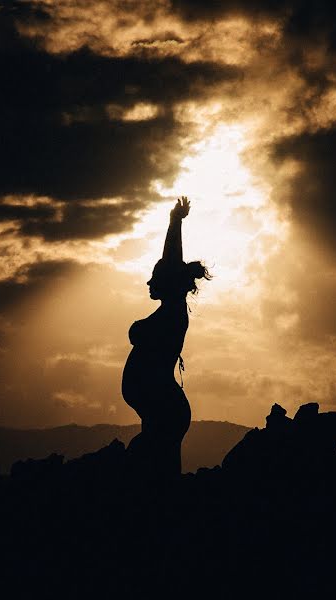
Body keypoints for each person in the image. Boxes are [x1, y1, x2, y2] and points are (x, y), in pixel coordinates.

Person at [122, 196, 211, 477]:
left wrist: (175, 223)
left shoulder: (172, 311)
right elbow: (170, 261)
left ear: (169, 283)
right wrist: (174, 224)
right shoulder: (168, 310)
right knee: (160, 468)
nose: (149, 283)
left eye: (154, 278)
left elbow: (172, 260)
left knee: (149, 466)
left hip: (166, 409)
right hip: (163, 408)